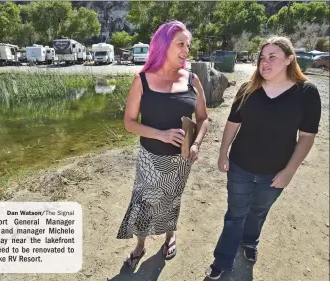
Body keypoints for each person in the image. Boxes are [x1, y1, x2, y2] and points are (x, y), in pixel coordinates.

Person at [205, 36, 322, 279]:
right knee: (235, 214)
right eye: (262, 57)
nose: (264, 63)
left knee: (258, 210)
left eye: (272, 57)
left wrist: (289, 171)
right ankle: (222, 260)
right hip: (240, 165)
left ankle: (250, 241)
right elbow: (232, 123)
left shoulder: (307, 93)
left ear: (289, 60)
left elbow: (307, 136)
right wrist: (222, 152)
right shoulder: (248, 89)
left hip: (275, 170)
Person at [116, 20, 210, 269]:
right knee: (145, 203)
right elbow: (129, 122)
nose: (186, 50)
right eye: (181, 44)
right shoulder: (142, 80)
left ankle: (170, 236)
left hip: (181, 159)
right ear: (163, 45)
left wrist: (197, 144)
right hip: (150, 157)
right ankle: (139, 245)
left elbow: (203, 118)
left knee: (172, 200)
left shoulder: (192, 79)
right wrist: (160, 134)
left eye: (188, 45)